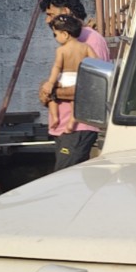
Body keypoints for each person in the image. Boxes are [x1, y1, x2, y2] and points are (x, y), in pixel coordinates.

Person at [39, 9, 111, 169]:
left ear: (65, 34)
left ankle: (55, 116)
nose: (55, 38)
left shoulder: (62, 50)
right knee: (73, 105)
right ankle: (70, 121)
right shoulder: (85, 47)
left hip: (77, 129)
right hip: (78, 78)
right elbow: (97, 63)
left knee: (64, 173)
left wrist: (50, 84)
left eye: (56, 34)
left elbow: (56, 68)